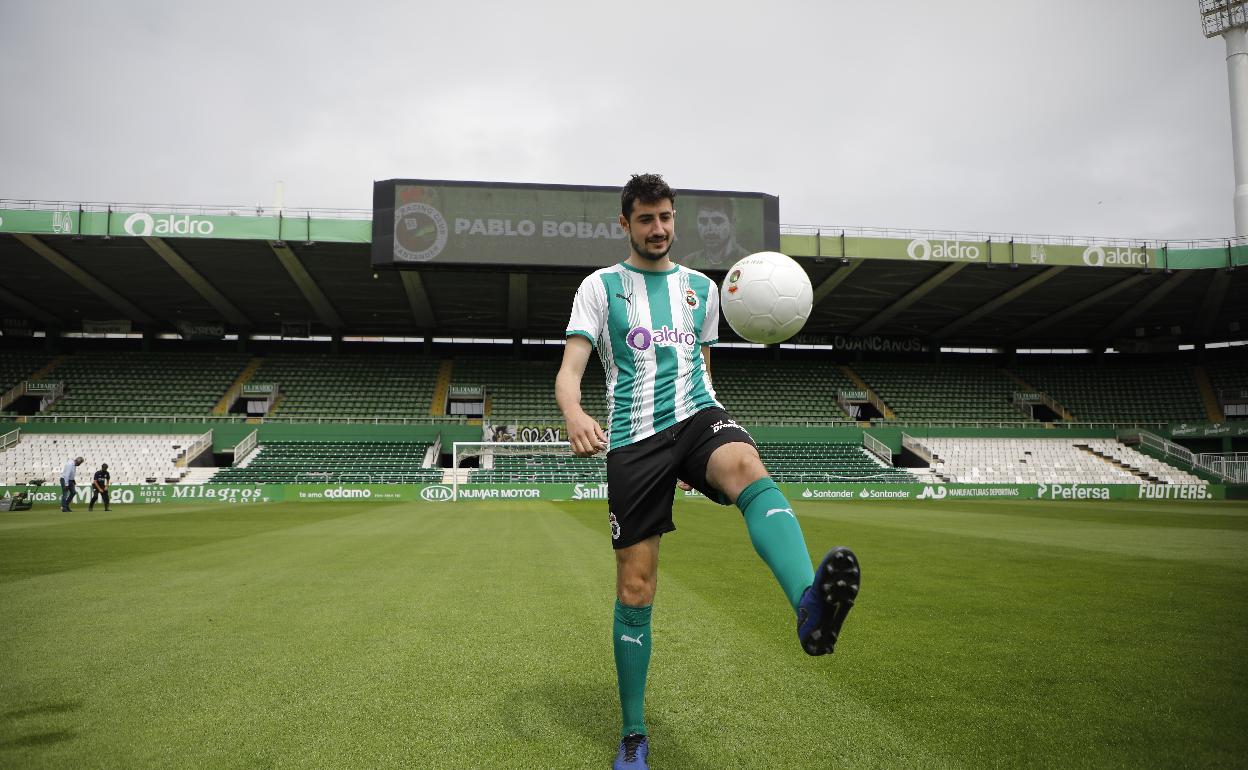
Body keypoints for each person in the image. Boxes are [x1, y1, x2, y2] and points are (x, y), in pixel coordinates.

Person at [556, 174, 860, 770]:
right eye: (646, 219)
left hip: (697, 416)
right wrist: (573, 413)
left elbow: (704, 367)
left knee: (747, 463)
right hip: (634, 439)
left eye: (666, 217)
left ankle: (809, 607)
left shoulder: (701, 289)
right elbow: (571, 368)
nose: (659, 228)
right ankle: (634, 734)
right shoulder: (600, 288)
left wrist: (703, 450)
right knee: (635, 589)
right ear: (625, 224)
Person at [680, 197, 750, 270]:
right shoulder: (688, 263)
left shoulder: (747, 262)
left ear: (732, 223)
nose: (709, 228)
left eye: (717, 221)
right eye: (703, 221)